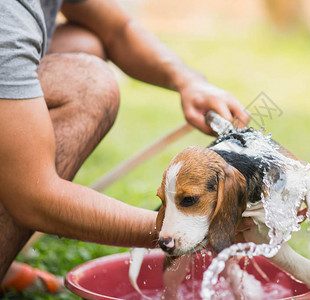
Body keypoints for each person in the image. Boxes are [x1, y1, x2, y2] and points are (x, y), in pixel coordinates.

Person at [0, 0, 251, 293]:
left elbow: (118, 29)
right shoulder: (10, 16)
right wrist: (175, 229)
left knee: (85, 42)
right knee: (88, 83)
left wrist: (189, 81)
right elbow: (32, 197)